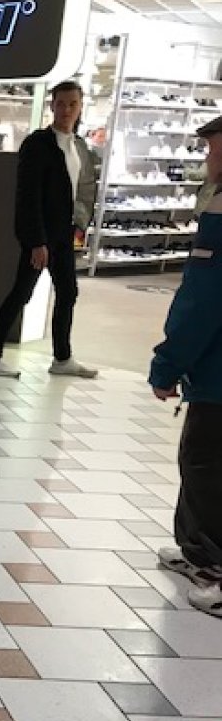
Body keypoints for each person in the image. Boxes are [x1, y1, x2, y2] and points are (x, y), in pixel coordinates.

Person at [149, 115, 222, 618]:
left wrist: (168, 362)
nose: (208, 158)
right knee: (200, 458)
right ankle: (197, 551)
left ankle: (213, 564)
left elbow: (202, 302)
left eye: (213, 149)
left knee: (205, 463)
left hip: (217, 370)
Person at [0, 82, 99, 379]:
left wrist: (80, 225)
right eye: (61, 103)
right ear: (52, 105)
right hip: (42, 235)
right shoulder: (38, 144)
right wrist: (35, 240)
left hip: (66, 233)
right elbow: (28, 195)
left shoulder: (79, 147)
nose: (67, 110)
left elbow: (83, 190)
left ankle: (62, 358)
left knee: (68, 292)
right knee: (22, 292)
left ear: (80, 106)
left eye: (72, 104)